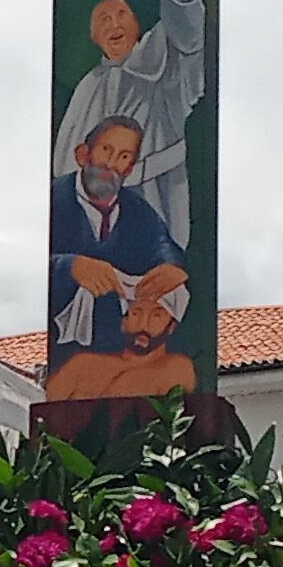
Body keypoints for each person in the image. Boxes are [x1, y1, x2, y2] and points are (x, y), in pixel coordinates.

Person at [51, 0, 207, 249]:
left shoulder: (165, 61)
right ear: (94, 36)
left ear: (138, 25)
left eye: (122, 15)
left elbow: (189, 22)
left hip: (155, 205)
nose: (114, 24)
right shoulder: (89, 87)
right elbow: (65, 160)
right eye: (103, 20)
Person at [47, 116, 191, 394]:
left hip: (118, 348)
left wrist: (172, 267)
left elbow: (161, 244)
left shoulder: (137, 211)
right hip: (56, 351)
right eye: (106, 150)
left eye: (124, 156)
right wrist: (70, 266)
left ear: (130, 169)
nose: (111, 164)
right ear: (82, 154)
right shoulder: (52, 201)